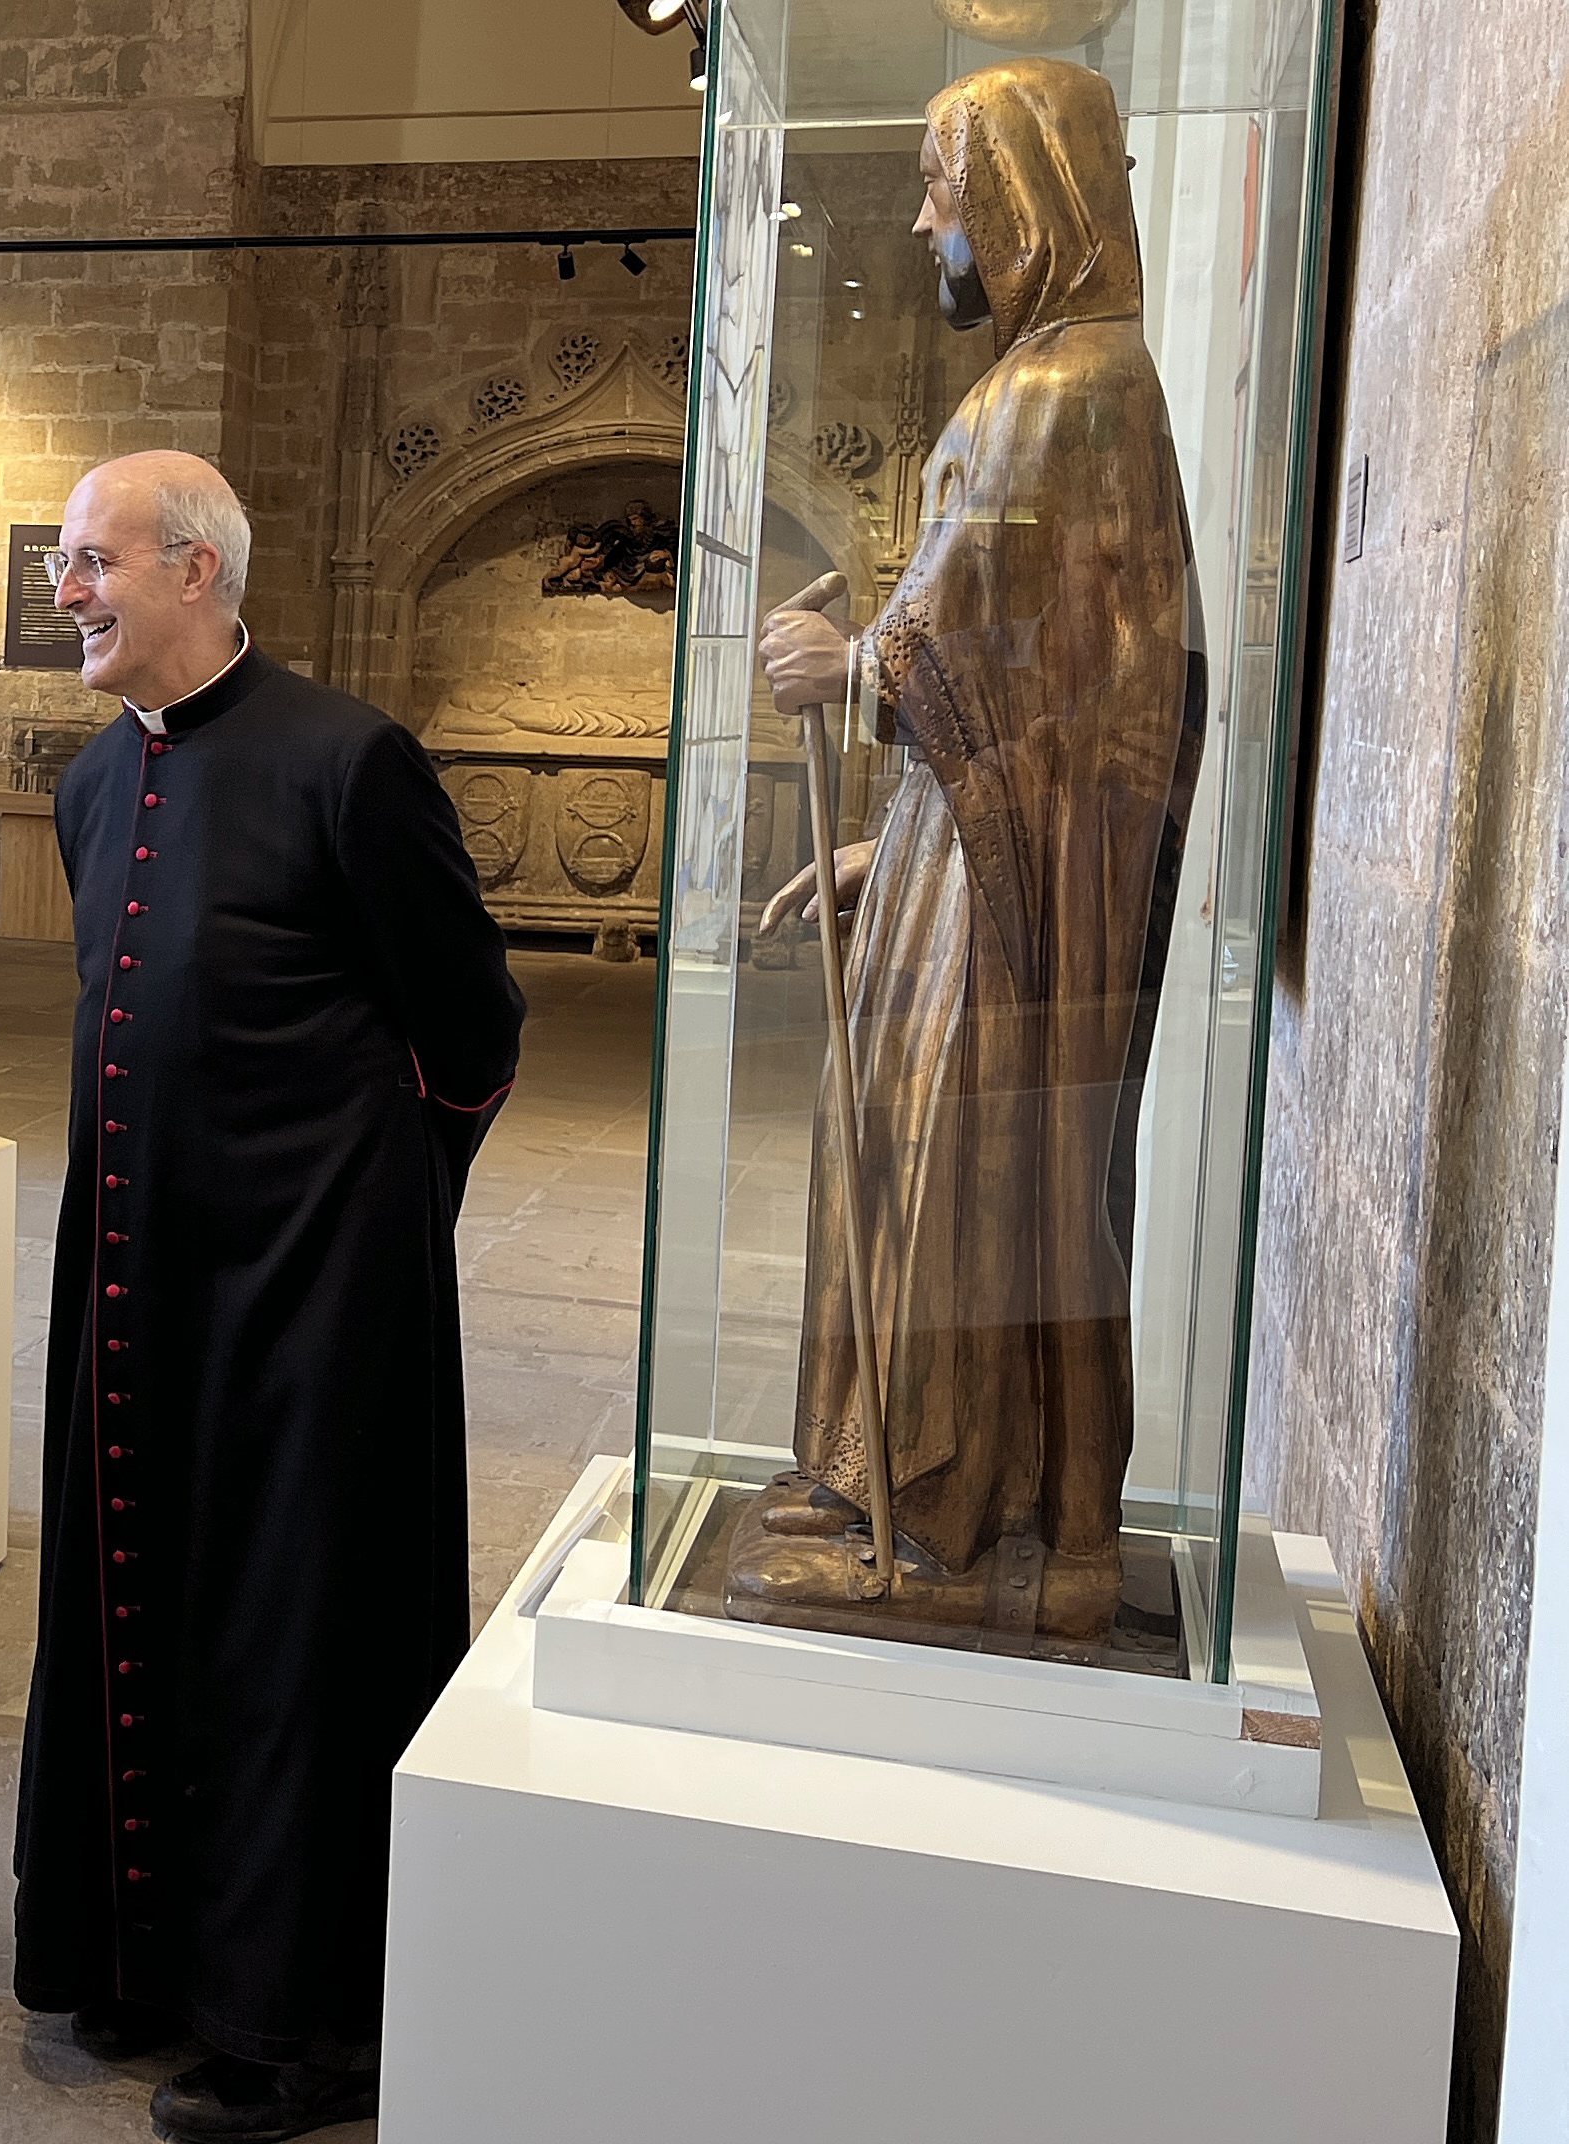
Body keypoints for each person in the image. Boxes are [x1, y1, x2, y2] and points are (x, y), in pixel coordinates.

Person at [11, 450, 524, 2142]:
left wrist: (373, 1211)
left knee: (291, 1629)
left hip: (313, 1294)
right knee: (136, 1593)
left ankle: (299, 2019)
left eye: (93, 561)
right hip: (133, 1274)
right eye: (66, 563)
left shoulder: (348, 761)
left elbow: (473, 1027)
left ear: (197, 570)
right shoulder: (97, 780)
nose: (66, 591)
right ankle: (145, 1953)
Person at [748, 57, 1200, 1642]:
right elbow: (1034, 665)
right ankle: (890, 1479)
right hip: (977, 850)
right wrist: (895, 854)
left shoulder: (1064, 390)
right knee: (908, 1150)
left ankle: (949, 1519)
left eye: (942, 191)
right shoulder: (1060, 380)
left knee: (962, 1168)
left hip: (1017, 889)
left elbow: (1013, 658)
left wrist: (850, 667)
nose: (926, 224)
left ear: (1018, 200)